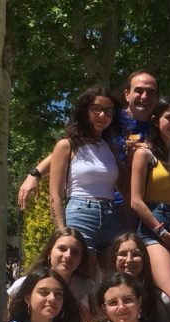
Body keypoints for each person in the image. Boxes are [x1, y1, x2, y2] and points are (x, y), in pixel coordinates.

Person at [18, 71, 159, 210]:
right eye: (139, 91)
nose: (144, 96)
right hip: (111, 205)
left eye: (150, 92)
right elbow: (70, 148)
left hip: (152, 207)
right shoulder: (109, 120)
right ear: (127, 94)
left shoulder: (161, 126)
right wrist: (35, 174)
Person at [48, 87, 123, 255]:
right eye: (96, 109)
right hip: (80, 213)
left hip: (111, 215)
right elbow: (55, 195)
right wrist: (61, 231)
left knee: (109, 267)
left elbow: (123, 188)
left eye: (108, 111)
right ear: (85, 111)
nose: (102, 115)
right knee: (81, 264)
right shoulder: (66, 145)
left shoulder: (111, 148)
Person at [130, 96, 170, 303]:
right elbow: (136, 201)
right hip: (153, 230)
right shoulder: (144, 153)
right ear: (156, 121)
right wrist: (161, 232)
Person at [8, 228, 97, 322]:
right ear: (49, 253)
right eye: (62, 249)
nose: (68, 255)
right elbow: (10, 321)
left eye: (75, 252)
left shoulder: (87, 287)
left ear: (81, 258)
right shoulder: (23, 285)